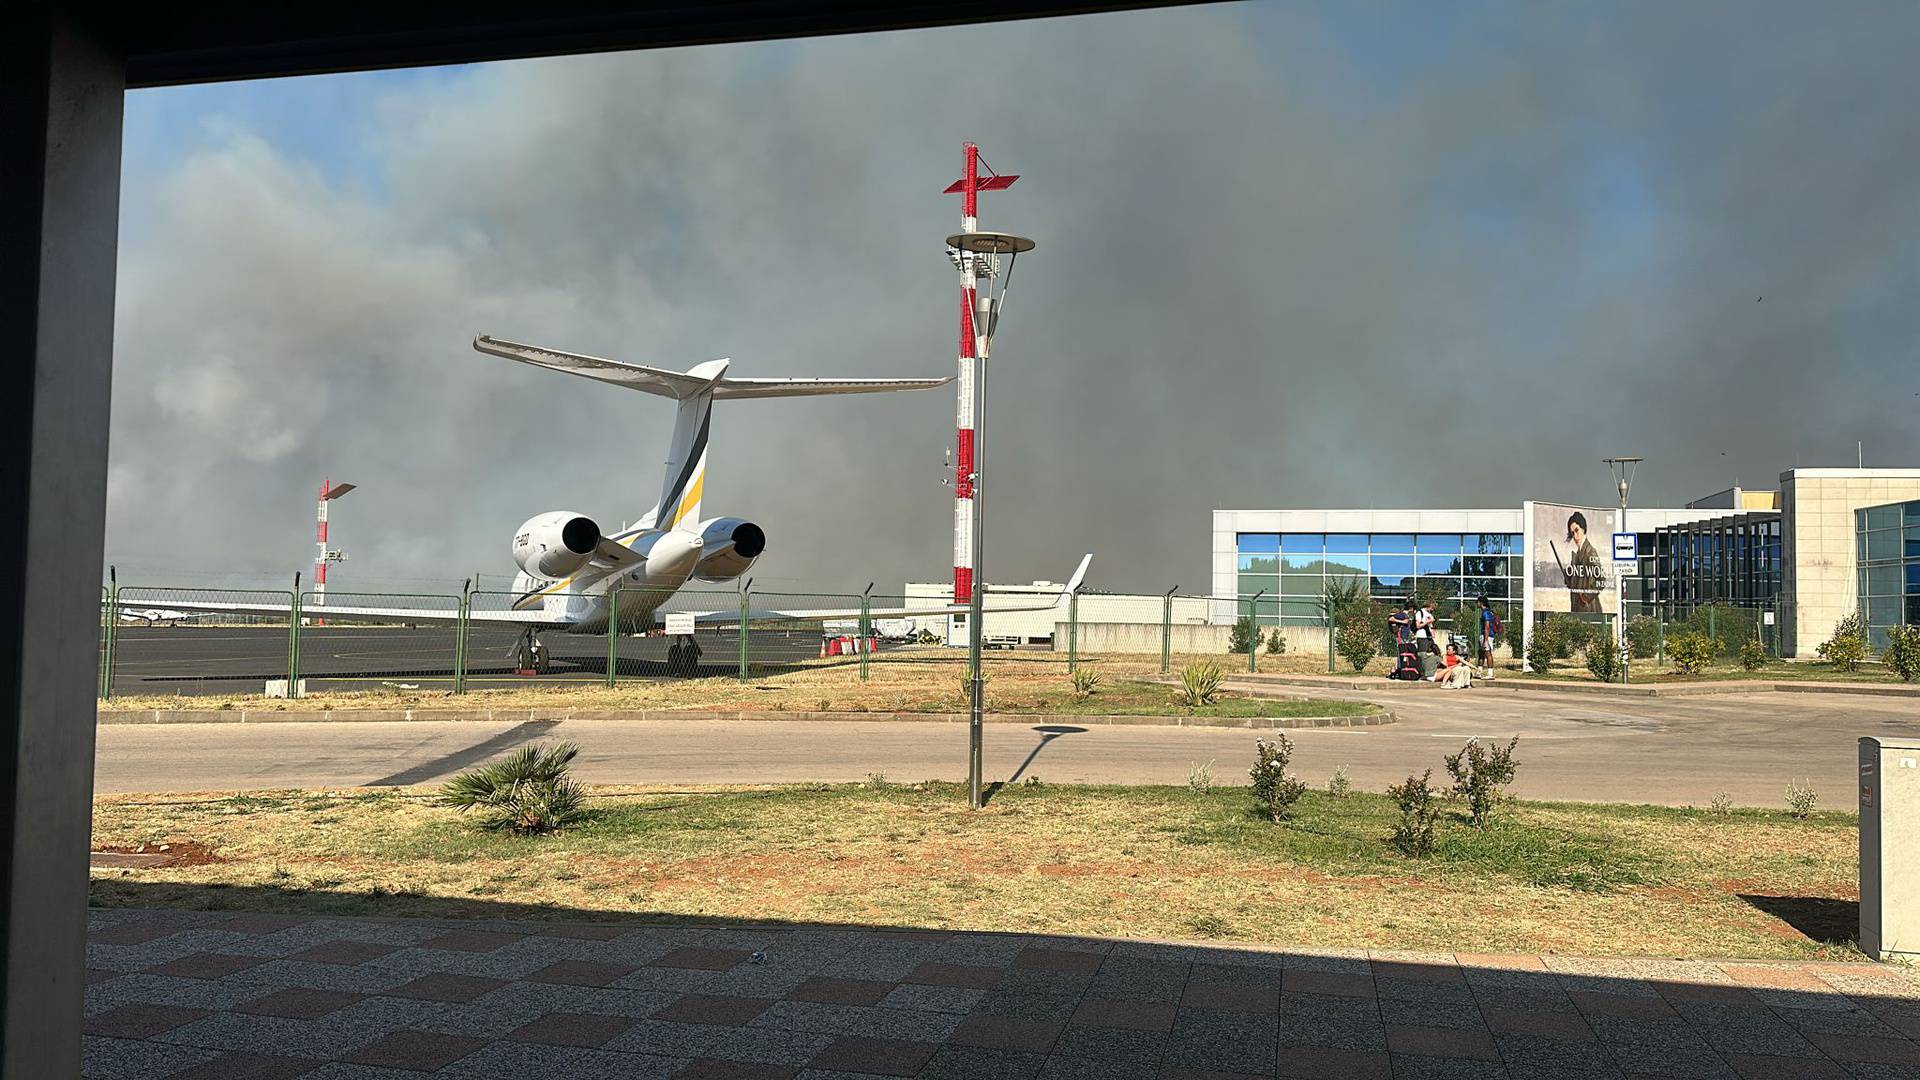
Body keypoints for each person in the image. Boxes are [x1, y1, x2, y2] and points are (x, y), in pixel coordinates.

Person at [1560, 511, 1608, 614]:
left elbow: (1602, 579)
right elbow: (1576, 583)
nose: (1575, 536)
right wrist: (1569, 578)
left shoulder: (1590, 552)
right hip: (1579, 609)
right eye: (1572, 533)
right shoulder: (1578, 553)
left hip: (1589, 610)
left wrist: (1587, 596)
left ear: (1583, 528)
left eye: (1577, 530)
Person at [1476, 596, 1501, 674]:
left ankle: (1490, 673)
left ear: (1481, 603)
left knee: (1488, 653)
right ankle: (1479, 672)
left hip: (1486, 636)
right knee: (1481, 654)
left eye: (1478, 602)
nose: (1477, 604)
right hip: (1484, 635)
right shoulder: (1486, 612)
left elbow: (1487, 626)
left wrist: (1485, 640)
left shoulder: (1486, 613)